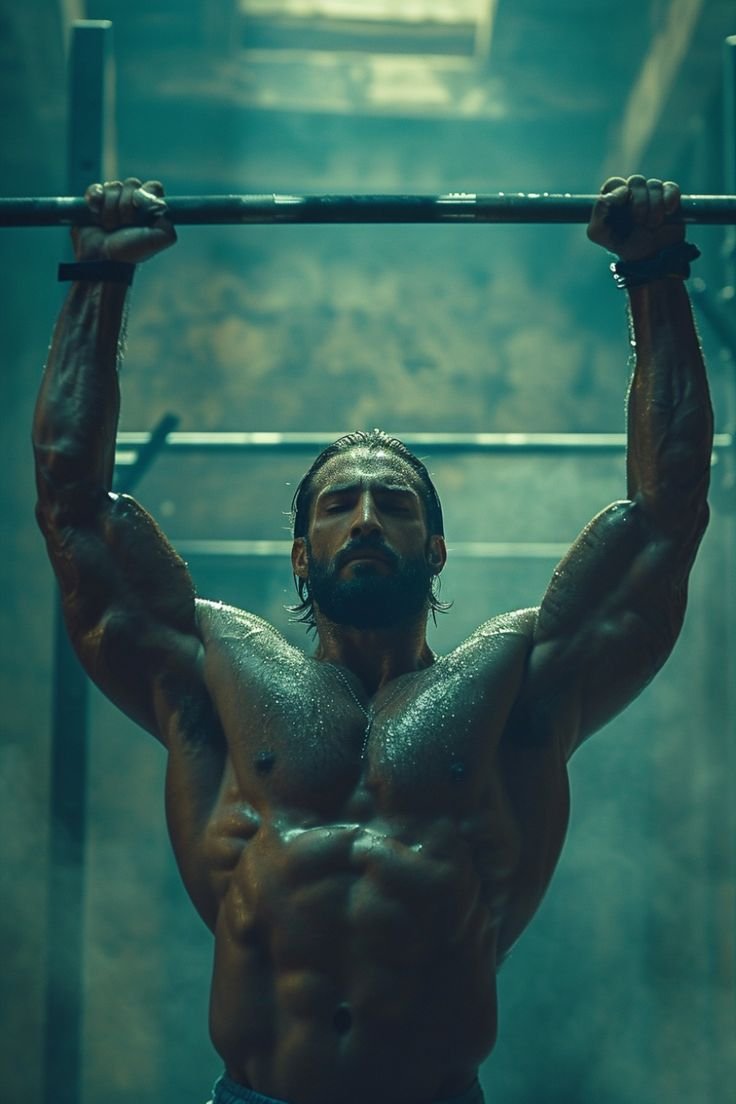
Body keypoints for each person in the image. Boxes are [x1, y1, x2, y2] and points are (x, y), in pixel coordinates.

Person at [32, 174, 713, 1104]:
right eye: (335, 506)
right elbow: (73, 512)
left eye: (392, 505)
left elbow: (666, 521)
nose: (362, 520)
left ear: (434, 548)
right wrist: (97, 280)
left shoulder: (517, 687)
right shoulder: (217, 674)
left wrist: (655, 271)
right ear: (300, 556)